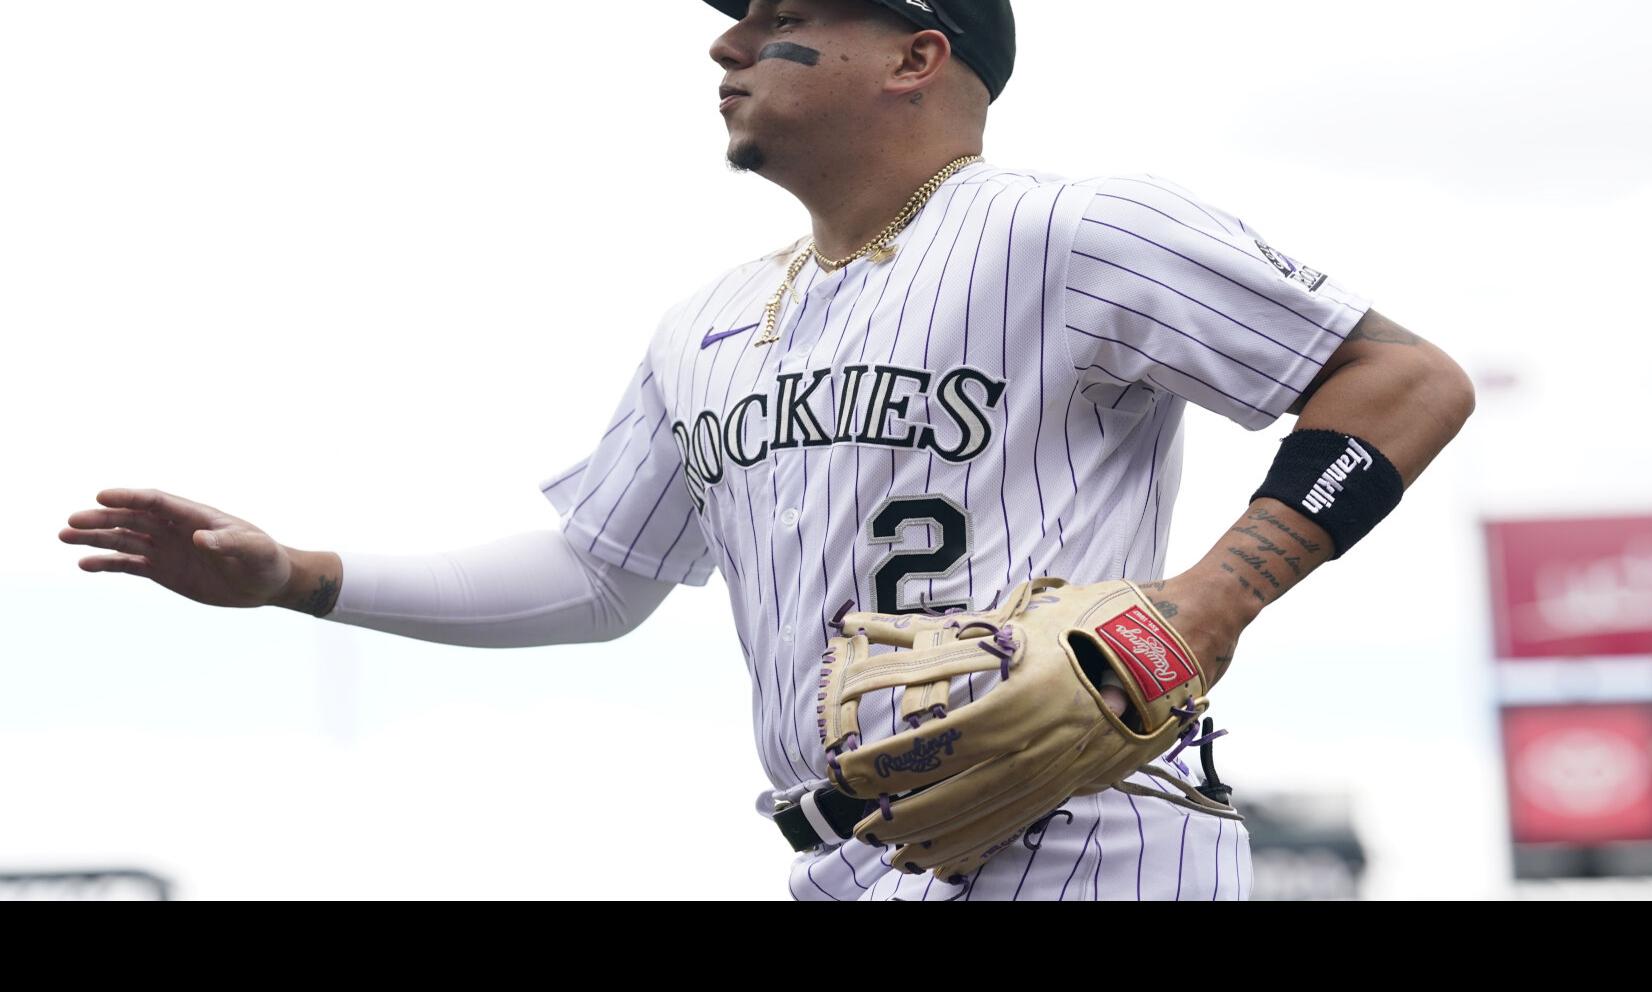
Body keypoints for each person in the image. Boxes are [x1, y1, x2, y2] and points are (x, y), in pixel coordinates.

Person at [60, 0, 1475, 900]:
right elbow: (598, 575)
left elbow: (1401, 380)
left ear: (921, 52)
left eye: (780, 18)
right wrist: (301, 574)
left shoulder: (1067, 229)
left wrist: (1207, 605)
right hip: (850, 861)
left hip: (1086, 842)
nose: (725, 46)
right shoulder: (713, 320)